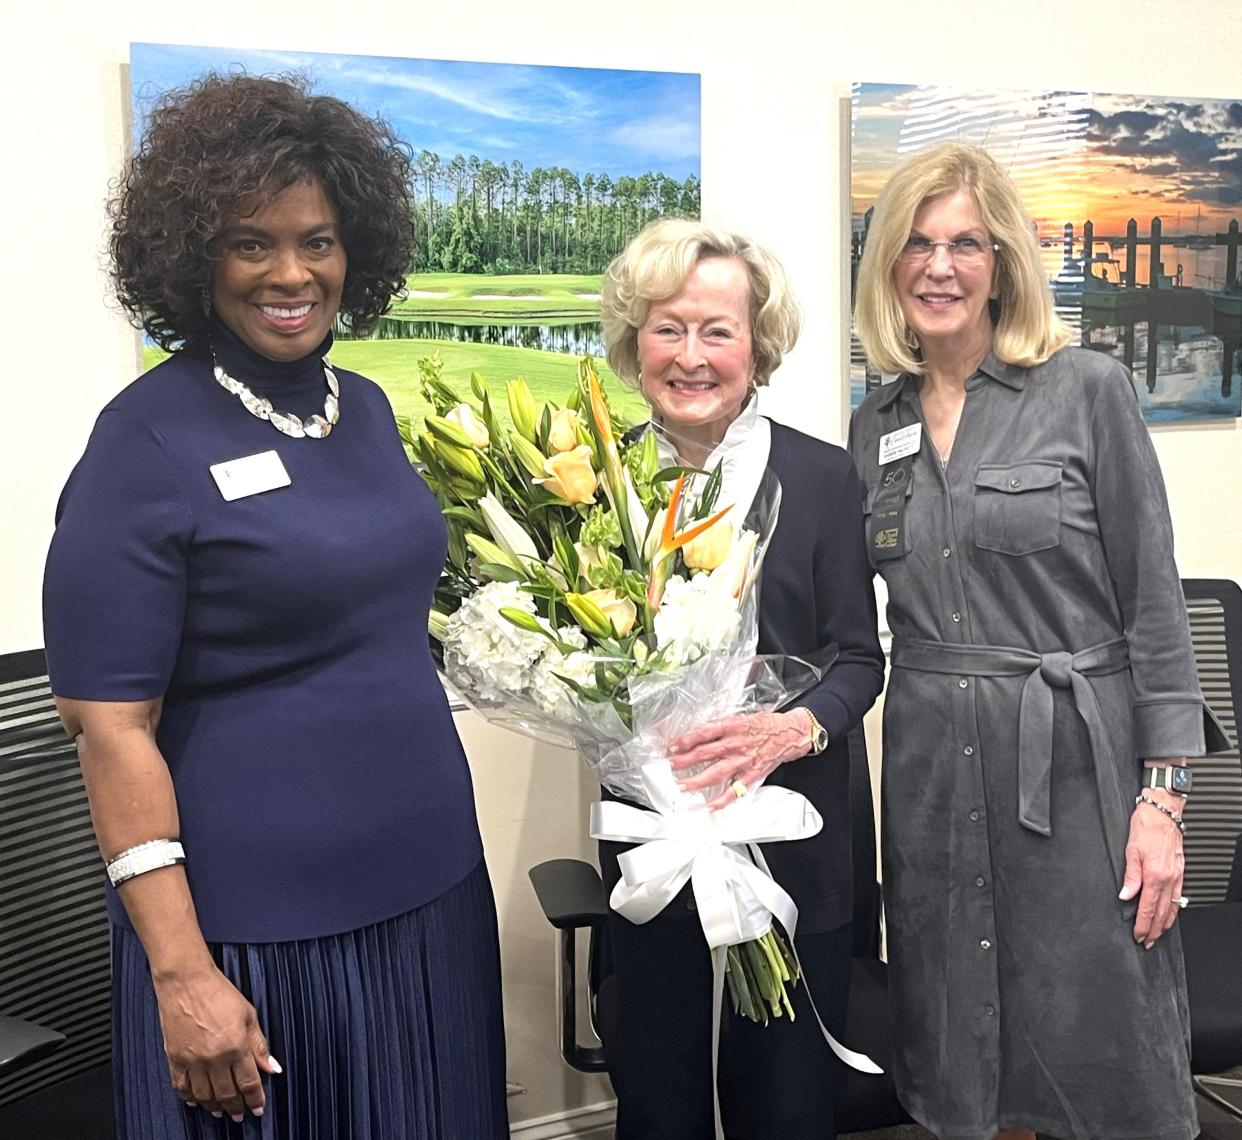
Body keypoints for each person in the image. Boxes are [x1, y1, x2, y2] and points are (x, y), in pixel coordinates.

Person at [42, 73, 508, 1140]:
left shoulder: (369, 408)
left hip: (429, 885)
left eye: (319, 240)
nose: (291, 273)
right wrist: (180, 974)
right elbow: (108, 727)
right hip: (253, 933)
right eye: (252, 243)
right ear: (196, 255)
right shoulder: (142, 443)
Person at [849, 141, 1227, 1140]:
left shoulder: (1086, 389)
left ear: (1003, 262)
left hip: (1075, 767)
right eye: (919, 244)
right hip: (931, 776)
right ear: (889, 264)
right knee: (960, 1031)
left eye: (966, 243)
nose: (940, 266)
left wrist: (1164, 803)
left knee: (1098, 1034)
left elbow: (1154, 601)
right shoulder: (873, 423)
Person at [597, 217, 886, 1139]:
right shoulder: (592, 487)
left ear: (757, 348)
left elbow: (857, 657)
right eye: (666, 327)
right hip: (652, 830)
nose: (690, 356)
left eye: (716, 330)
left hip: (793, 826)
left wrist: (788, 730)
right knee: (658, 1099)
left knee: (787, 1105)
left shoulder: (822, 475)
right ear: (632, 341)